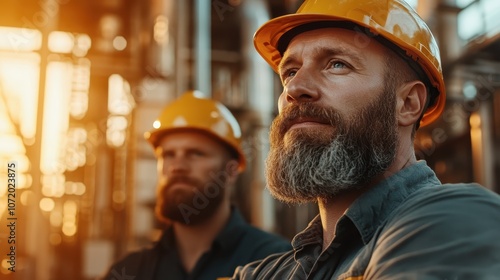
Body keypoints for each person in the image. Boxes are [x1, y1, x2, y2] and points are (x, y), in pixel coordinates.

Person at [232, 0, 500, 279]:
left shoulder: (456, 220)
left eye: (337, 64)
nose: (295, 88)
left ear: (407, 103)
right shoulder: (264, 273)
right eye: (290, 72)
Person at [102, 91, 291, 280]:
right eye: (168, 155)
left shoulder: (277, 264)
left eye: (195, 153)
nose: (177, 167)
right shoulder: (130, 271)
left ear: (231, 171)